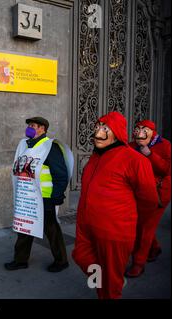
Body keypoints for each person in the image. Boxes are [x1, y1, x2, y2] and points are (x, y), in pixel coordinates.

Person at [72, 111, 158, 299]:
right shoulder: (95, 157)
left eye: (105, 128)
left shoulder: (135, 160)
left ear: (117, 132)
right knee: (81, 256)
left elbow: (149, 201)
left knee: (110, 287)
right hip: (86, 227)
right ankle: (106, 283)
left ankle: (109, 288)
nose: (98, 132)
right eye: (97, 127)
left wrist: (127, 221)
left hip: (114, 231)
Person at [5, 117, 72, 272]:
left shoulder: (50, 147)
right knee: (24, 228)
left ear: (42, 128)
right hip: (27, 197)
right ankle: (20, 260)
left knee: (51, 230)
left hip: (45, 198)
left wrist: (57, 195)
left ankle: (61, 261)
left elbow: (61, 174)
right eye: (28, 125)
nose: (29, 128)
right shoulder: (24, 145)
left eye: (32, 125)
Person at [125, 120, 171, 277]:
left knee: (144, 229)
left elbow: (166, 169)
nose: (139, 133)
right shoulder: (131, 145)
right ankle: (154, 248)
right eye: (137, 129)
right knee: (142, 225)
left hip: (158, 195)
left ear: (152, 132)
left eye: (143, 130)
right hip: (137, 193)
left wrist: (150, 154)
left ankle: (138, 263)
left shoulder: (165, 145)